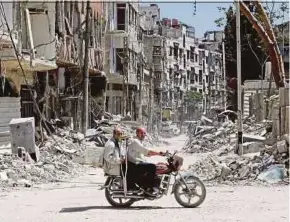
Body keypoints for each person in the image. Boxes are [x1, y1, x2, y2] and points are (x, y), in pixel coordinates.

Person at [127, 127, 165, 195]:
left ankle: (153, 185)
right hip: (135, 164)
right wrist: (159, 153)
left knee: (157, 165)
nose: (143, 135)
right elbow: (147, 151)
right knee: (152, 167)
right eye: (141, 133)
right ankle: (148, 188)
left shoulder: (139, 141)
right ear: (137, 133)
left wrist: (156, 154)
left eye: (144, 133)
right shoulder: (135, 142)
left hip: (137, 162)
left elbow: (146, 153)